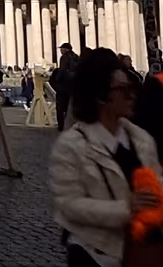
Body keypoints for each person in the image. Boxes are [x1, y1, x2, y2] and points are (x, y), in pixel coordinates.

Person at [50, 48, 163, 266]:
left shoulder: (141, 139)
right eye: (122, 90)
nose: (132, 96)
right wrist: (126, 209)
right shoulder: (71, 146)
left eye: (131, 88)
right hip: (94, 254)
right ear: (102, 97)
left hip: (141, 252)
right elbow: (69, 205)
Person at [53, 43, 81, 131]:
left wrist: (56, 80)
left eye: (61, 49)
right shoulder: (76, 56)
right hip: (73, 85)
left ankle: (61, 125)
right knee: (70, 106)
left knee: (60, 107)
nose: (60, 50)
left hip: (64, 85)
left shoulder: (64, 57)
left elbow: (62, 70)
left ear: (65, 49)